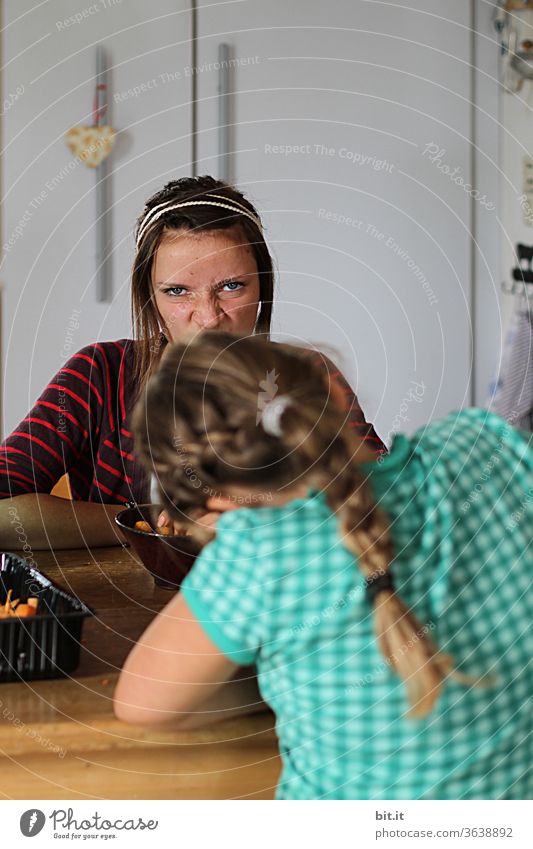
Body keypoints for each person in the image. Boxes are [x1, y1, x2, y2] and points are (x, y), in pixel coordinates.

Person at [114, 332, 533, 800]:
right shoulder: (479, 449)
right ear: (334, 396)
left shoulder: (256, 551)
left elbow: (143, 704)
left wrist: (282, 689)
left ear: (217, 498)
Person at [0, 176, 383, 549]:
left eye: (232, 286)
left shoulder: (309, 378)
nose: (209, 317)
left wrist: (245, 518)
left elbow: (386, 500)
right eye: (178, 291)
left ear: (263, 284)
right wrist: (149, 521)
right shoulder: (99, 375)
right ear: (150, 296)